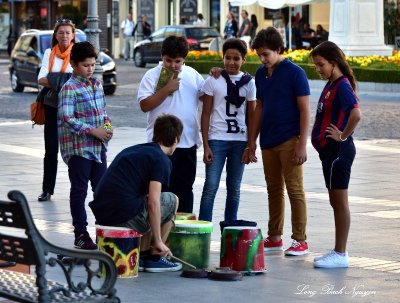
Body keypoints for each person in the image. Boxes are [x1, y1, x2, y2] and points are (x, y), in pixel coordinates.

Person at [89, 114, 183, 272]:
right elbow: (153, 203)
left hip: (103, 216)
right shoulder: (161, 160)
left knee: (143, 201)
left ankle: (142, 255)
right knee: (171, 200)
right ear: (175, 139)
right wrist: (159, 240)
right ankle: (154, 256)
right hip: (123, 218)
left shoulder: (136, 150)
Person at [248, 27, 311, 256]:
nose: (262, 59)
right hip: (268, 141)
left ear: (278, 49)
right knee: (273, 189)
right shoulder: (261, 73)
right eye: (259, 55)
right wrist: (252, 141)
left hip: (290, 140)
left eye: (266, 54)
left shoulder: (295, 73)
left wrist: (302, 143)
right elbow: (260, 107)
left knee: (295, 190)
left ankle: (300, 240)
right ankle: (274, 237)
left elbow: (305, 110)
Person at [137, 36, 204, 214]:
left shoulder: (192, 74)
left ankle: (182, 232)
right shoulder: (152, 75)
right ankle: (160, 232)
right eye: (168, 60)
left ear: (184, 60)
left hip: (186, 142)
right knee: (161, 190)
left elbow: (206, 95)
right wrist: (166, 89)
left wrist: (216, 74)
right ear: (162, 57)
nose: (173, 65)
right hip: (159, 145)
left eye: (178, 61)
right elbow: (145, 105)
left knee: (184, 189)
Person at [310, 41, 361, 268]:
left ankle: (340, 254)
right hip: (329, 153)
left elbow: (356, 114)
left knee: (340, 202)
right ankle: (338, 250)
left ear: (333, 62)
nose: (318, 69)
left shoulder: (342, 85)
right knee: (334, 201)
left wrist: (342, 136)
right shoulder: (332, 82)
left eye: (321, 65)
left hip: (338, 152)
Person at [58, 41, 112, 250]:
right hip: (79, 149)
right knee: (79, 191)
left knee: (102, 190)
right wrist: (92, 130)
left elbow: (103, 112)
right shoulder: (69, 88)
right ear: (73, 64)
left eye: (92, 65)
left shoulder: (97, 85)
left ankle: (103, 231)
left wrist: (107, 127)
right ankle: (81, 233)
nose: (90, 69)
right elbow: (66, 117)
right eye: (85, 65)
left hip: (98, 149)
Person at [198, 38, 256, 222]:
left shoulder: (249, 83)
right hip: (217, 139)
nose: (231, 62)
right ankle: (204, 232)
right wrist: (206, 145)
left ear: (243, 60)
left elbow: (253, 116)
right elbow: (205, 114)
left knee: (234, 188)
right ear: (222, 58)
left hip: (240, 141)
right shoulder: (213, 80)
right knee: (210, 186)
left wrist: (251, 145)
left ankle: (230, 233)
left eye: (236, 58)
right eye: (228, 58)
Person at [37, 19, 76, 202]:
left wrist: (54, 79)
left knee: (74, 150)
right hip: (52, 105)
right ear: (56, 35)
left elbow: (79, 77)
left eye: (68, 32)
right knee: (50, 149)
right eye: (61, 32)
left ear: (73, 35)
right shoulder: (49, 53)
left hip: (73, 106)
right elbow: (40, 79)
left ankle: (77, 187)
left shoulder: (78, 52)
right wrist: (66, 79)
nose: (64, 36)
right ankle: (47, 189)